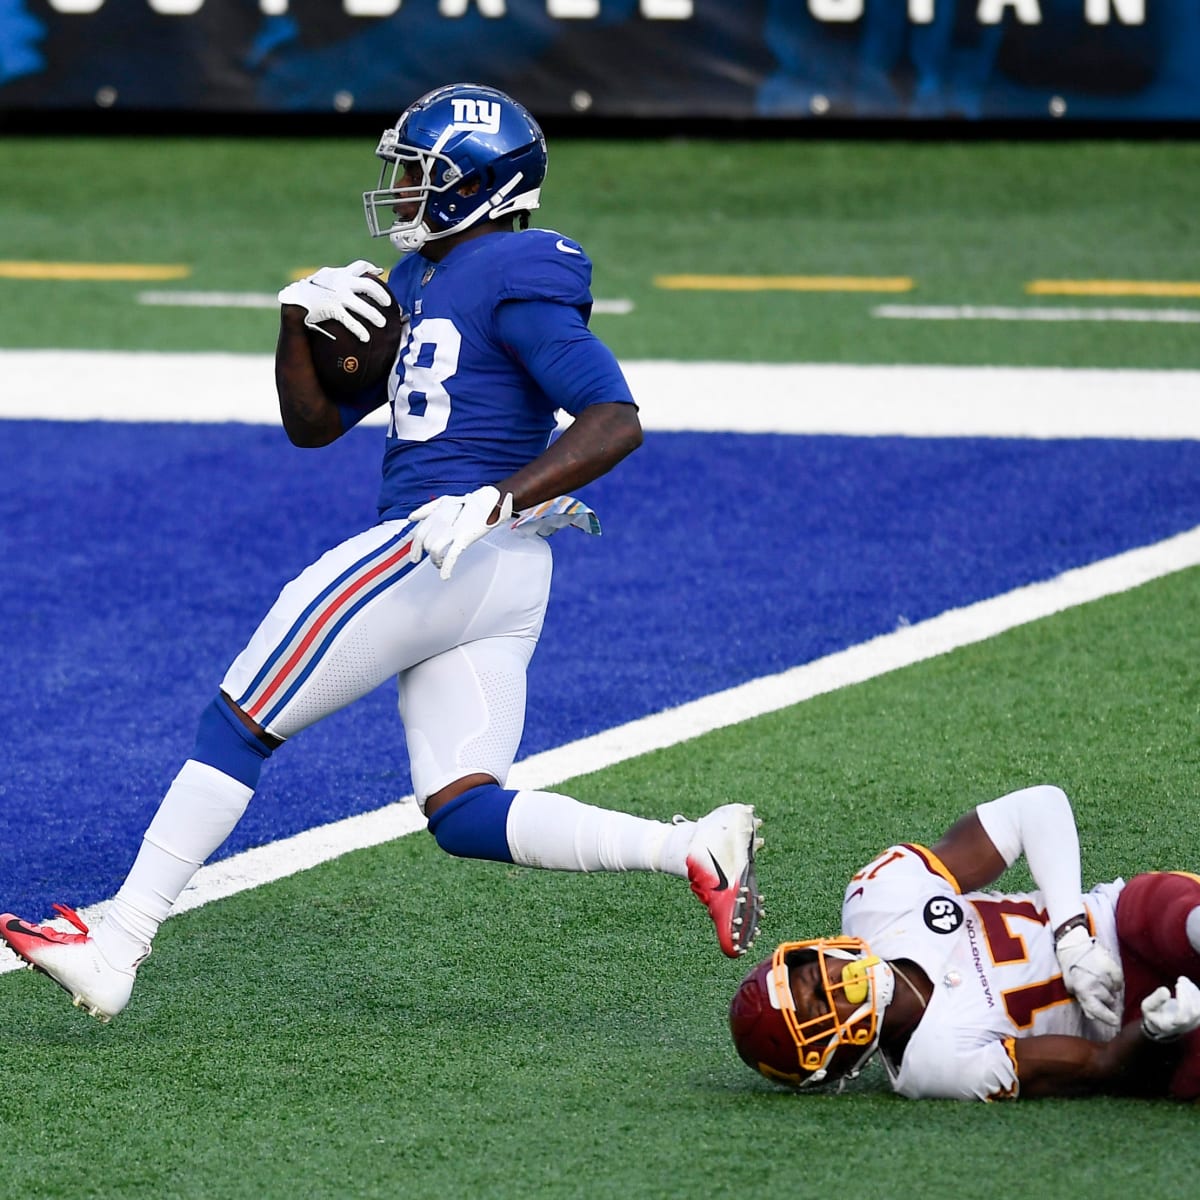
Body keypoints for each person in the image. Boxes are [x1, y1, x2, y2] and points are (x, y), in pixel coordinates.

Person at [0, 82, 764, 1022]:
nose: (402, 191)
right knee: (463, 807)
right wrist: (294, 324)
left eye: (420, 175)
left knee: (238, 722)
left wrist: (495, 496)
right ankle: (692, 848)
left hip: (450, 542)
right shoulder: (421, 280)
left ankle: (118, 943)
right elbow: (315, 424)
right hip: (500, 567)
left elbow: (613, 420)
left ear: (478, 184)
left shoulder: (518, 270)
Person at [729, 783, 1200, 1100]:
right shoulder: (933, 1065)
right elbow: (1100, 1066)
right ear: (832, 1062)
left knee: (1176, 919)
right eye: (816, 1007)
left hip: (1119, 921)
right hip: (1133, 1021)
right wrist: (1156, 1031)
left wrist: (1071, 935)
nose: (832, 982)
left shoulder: (879, 899)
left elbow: (1039, 805)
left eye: (812, 974)